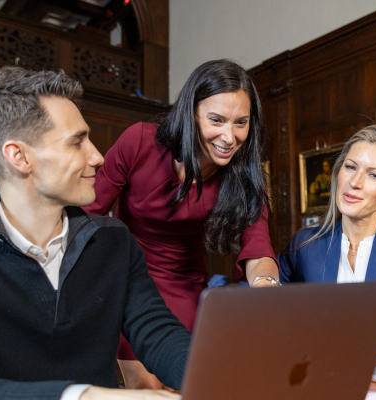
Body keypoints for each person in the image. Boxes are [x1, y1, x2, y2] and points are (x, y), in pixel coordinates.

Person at [0, 66, 191, 400]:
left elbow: (158, 332)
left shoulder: (115, 241)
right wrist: (85, 396)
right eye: (77, 142)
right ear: (19, 156)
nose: (98, 157)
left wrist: (212, 379)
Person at [84, 59, 279, 388]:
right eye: (216, 120)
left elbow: (258, 247)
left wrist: (266, 287)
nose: (229, 137)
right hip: (128, 283)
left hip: (186, 288)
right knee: (146, 386)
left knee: (192, 385)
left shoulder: (244, 178)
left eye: (241, 123)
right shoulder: (140, 142)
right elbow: (88, 212)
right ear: (191, 113)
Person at [279, 124, 376, 358]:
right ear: (338, 172)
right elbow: (259, 303)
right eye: (350, 167)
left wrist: (306, 320)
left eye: (373, 175)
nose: (355, 182)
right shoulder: (305, 243)